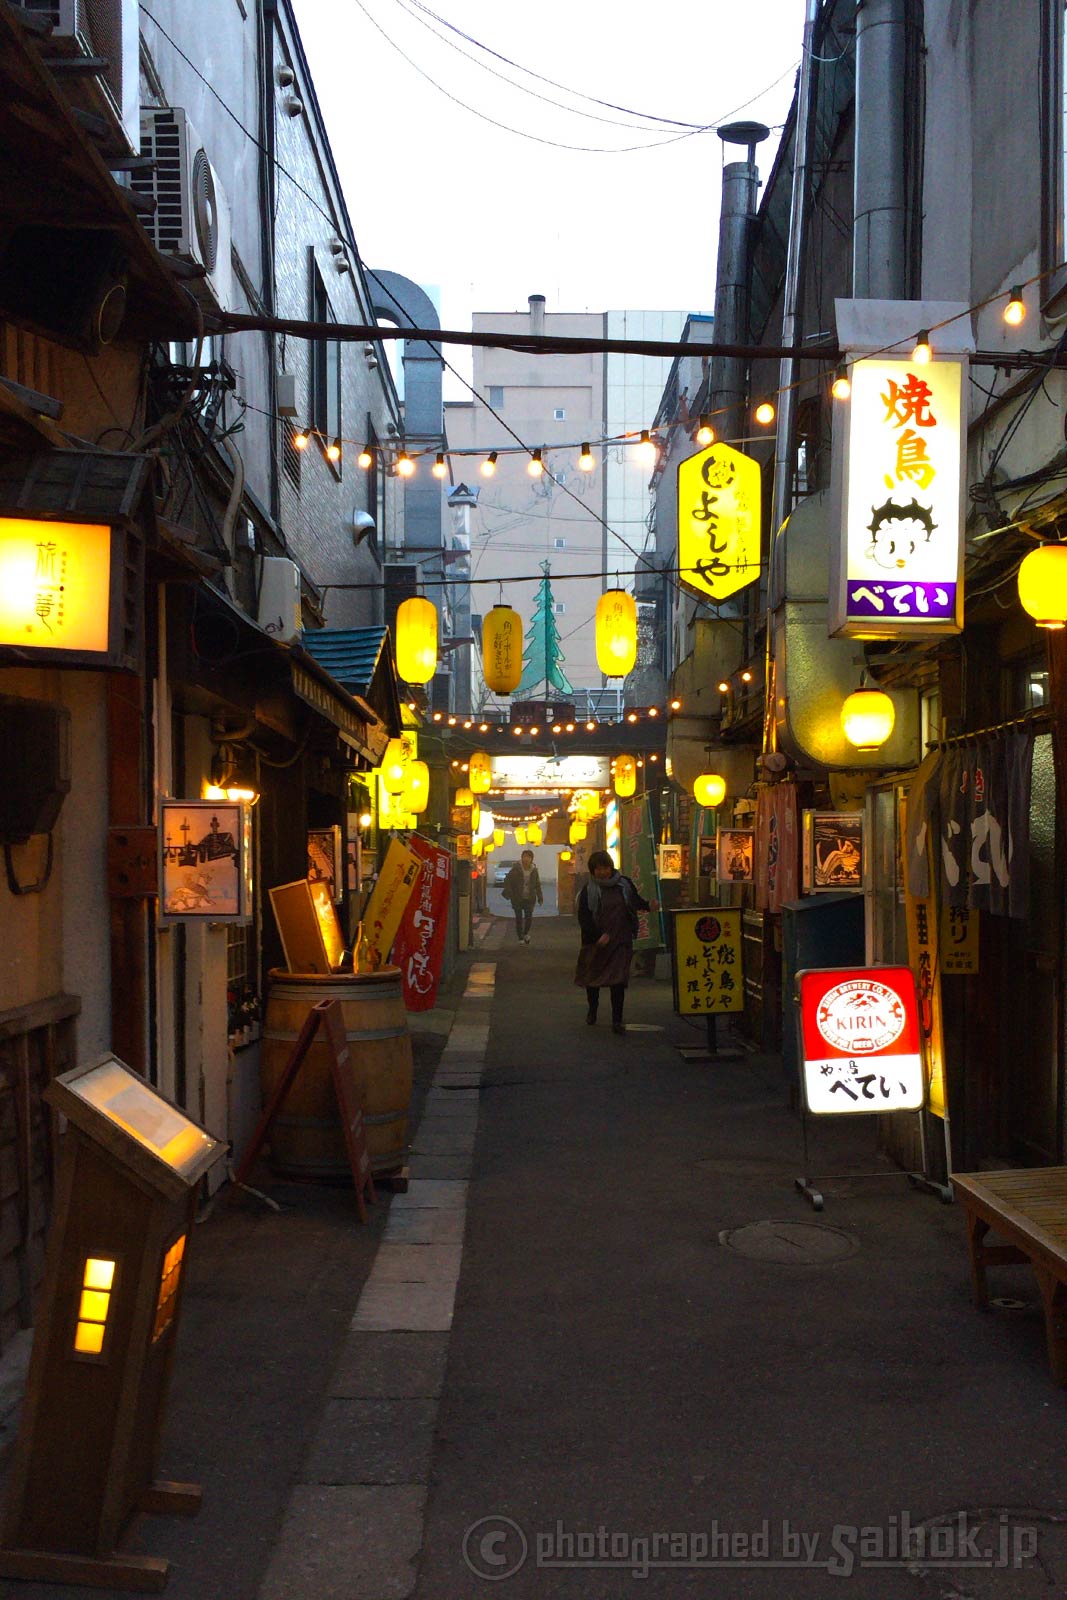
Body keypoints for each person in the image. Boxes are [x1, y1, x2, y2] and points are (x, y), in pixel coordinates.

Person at [574, 849, 658, 1034]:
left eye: (606, 868)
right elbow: (584, 917)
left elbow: (635, 901)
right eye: (599, 869)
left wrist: (647, 906)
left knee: (618, 981)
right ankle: (593, 1009)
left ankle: (617, 1020)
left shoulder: (624, 884)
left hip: (621, 939)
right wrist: (598, 936)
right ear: (592, 870)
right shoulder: (589, 890)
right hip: (597, 943)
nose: (603, 872)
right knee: (593, 980)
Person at [502, 849, 543, 943]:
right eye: (524, 856)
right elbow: (507, 880)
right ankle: (520, 937)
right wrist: (510, 892)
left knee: (529, 917)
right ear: (522, 857)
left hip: (529, 897)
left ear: (531, 859)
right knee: (519, 917)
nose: (526, 859)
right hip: (517, 897)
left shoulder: (534, 870)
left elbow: (537, 884)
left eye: (528, 857)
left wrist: (540, 897)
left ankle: (525, 933)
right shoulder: (516, 868)